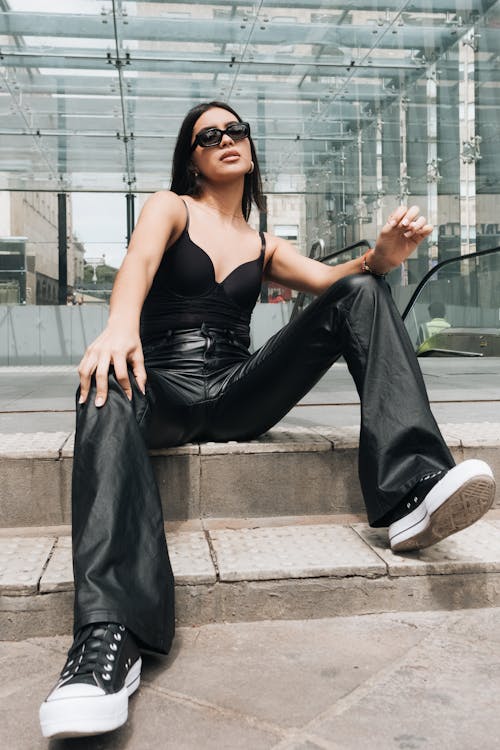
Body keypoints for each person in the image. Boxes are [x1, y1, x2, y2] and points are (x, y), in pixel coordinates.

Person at [39, 101, 496, 739]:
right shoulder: (171, 207)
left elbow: (337, 282)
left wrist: (382, 257)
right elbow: (139, 264)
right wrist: (118, 327)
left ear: (249, 147)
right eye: (209, 135)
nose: (226, 139)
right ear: (192, 157)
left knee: (362, 293)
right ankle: (108, 637)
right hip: (162, 383)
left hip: (236, 389)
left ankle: (412, 489)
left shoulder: (263, 242)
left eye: (236, 130)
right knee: (101, 384)